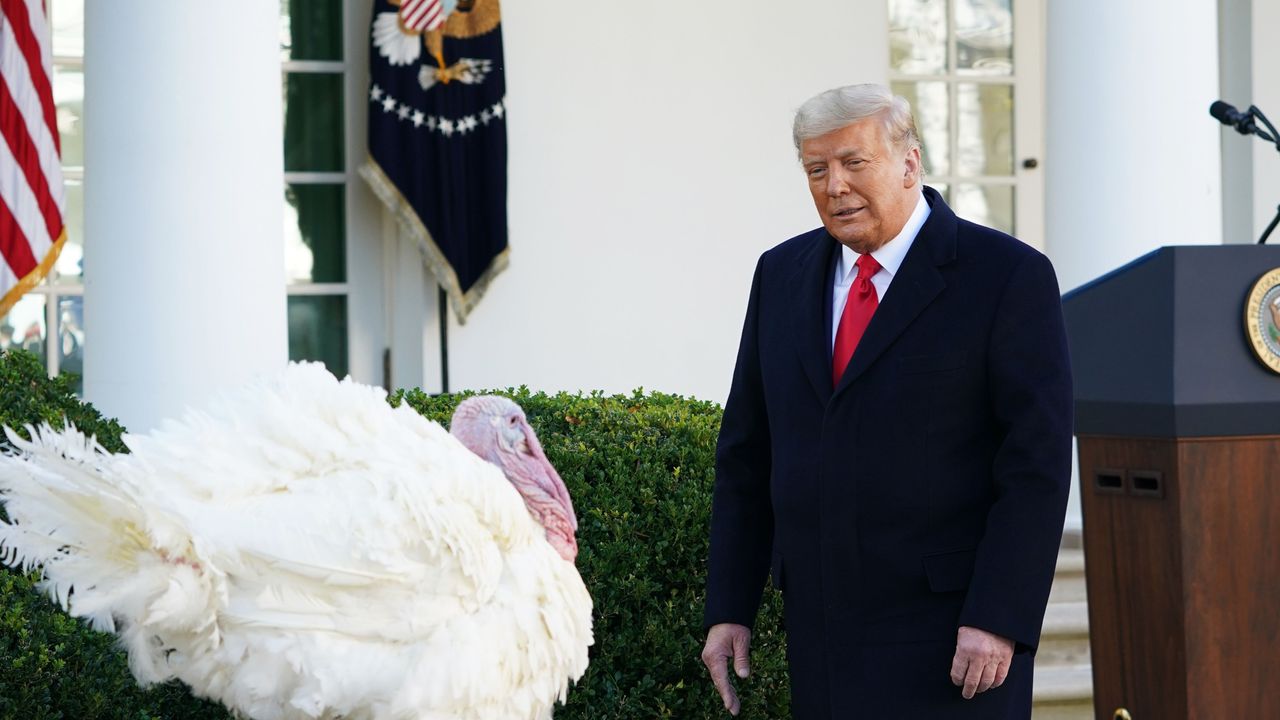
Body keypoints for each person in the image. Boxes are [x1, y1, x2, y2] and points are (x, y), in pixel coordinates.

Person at [700, 83, 1072, 719]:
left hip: (958, 643)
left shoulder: (1007, 276)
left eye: (853, 162)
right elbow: (747, 453)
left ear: (909, 163)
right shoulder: (780, 276)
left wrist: (999, 617)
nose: (834, 185)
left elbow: (1034, 465)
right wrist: (730, 607)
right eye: (816, 169)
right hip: (822, 640)